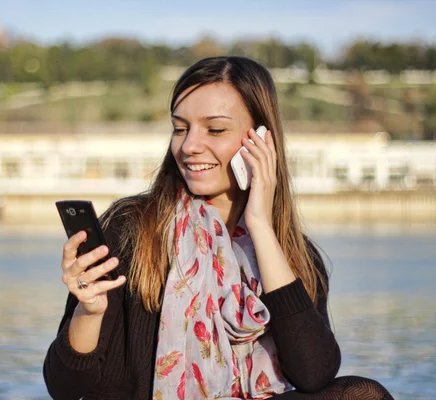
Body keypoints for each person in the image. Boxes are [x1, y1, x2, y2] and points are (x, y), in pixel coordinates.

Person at [44, 56, 393, 400]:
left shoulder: (294, 252)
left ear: (261, 141)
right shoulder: (133, 226)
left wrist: (261, 226)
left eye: (215, 129)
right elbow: (65, 388)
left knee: (363, 395)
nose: (190, 146)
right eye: (180, 128)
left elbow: (314, 374)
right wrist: (88, 311)